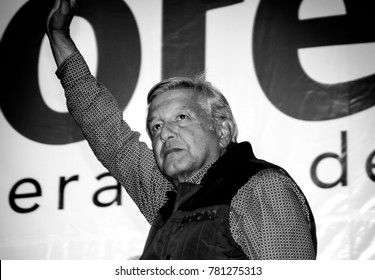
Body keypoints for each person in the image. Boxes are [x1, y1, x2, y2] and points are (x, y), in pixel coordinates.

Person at [46, 0, 317, 259]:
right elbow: (105, 129)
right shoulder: (165, 196)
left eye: (182, 117)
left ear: (222, 129)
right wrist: (58, 35)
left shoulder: (259, 186)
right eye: (156, 126)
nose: (165, 133)